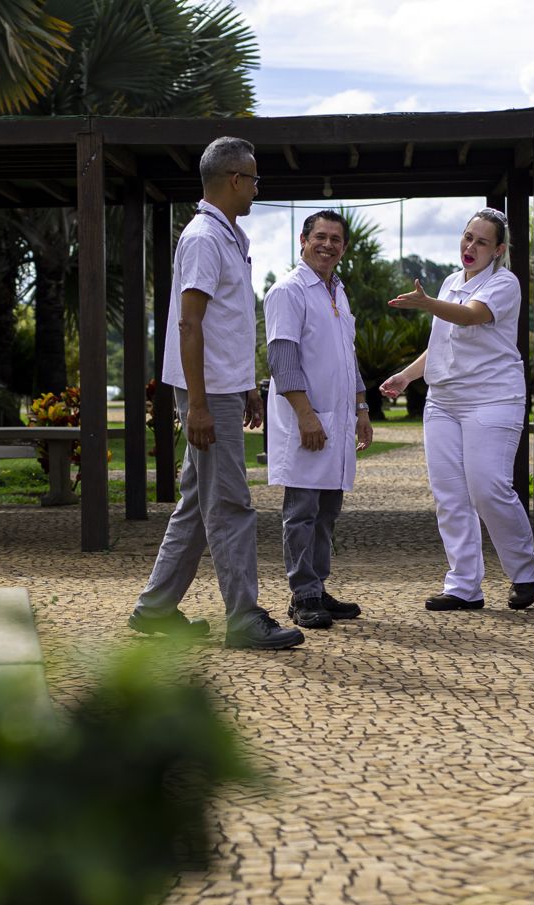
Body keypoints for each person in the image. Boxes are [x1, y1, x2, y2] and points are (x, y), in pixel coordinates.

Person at [129, 137, 304, 650]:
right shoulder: (205, 236)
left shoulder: (229, 236)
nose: (255, 188)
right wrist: (200, 404)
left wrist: (247, 383)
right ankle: (244, 618)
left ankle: (155, 609)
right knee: (230, 504)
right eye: (253, 179)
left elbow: (228, 323)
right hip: (206, 394)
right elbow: (190, 324)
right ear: (234, 180)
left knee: (197, 503)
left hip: (224, 388)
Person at [380, 208, 534, 611]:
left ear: (498, 250)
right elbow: (443, 343)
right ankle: (464, 586)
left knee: (487, 489)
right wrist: (406, 376)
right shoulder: (453, 281)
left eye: (482, 241)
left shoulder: (505, 284)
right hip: (443, 402)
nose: (470, 247)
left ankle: (524, 571)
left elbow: (470, 318)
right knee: (450, 496)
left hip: (493, 399)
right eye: (468, 237)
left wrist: (426, 303)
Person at [264, 210, 374, 629]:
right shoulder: (288, 291)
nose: (328, 244)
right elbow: (282, 357)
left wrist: (362, 407)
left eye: (336, 239)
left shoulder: (338, 293)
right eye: (320, 237)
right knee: (302, 511)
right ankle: (303, 593)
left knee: (327, 510)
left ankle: (318, 587)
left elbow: (348, 357)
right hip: (307, 421)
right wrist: (306, 416)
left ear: (344, 248)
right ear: (303, 240)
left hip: (339, 420)